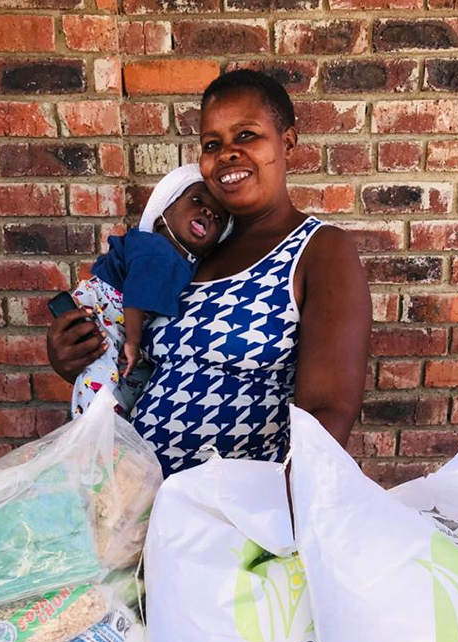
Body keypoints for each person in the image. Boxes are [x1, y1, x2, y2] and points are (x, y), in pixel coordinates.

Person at [48, 69, 372, 476]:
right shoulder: (191, 252)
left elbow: (329, 411)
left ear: (287, 142)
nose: (228, 153)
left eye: (246, 135)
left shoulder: (318, 250)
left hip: (230, 507)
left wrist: (276, 509)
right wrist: (74, 358)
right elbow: (142, 368)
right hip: (131, 492)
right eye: (212, 144)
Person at [69, 164, 230, 417]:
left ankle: (116, 421)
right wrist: (133, 342)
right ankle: (90, 427)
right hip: (106, 313)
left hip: (124, 324)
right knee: (99, 374)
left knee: (132, 379)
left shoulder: (186, 263)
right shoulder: (156, 248)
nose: (208, 212)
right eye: (197, 200)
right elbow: (137, 296)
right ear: (162, 213)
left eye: (218, 219)